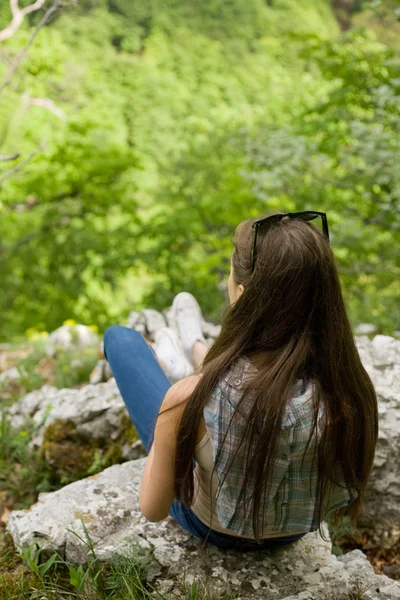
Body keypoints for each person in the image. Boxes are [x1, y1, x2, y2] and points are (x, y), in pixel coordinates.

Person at [103, 211, 378, 551]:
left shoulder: (187, 398)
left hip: (214, 529)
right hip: (296, 530)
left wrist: (167, 429)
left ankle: (188, 359)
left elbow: (153, 508)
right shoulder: (350, 385)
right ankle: (196, 349)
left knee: (121, 341)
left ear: (243, 294)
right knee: (223, 380)